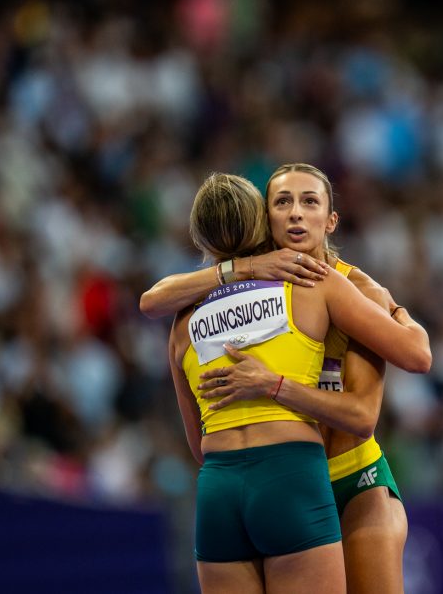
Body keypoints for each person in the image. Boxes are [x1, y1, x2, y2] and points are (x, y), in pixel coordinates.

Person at [142, 163, 427, 594]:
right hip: (292, 476)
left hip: (352, 478)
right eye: (282, 202)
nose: (295, 213)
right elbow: (151, 299)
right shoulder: (256, 282)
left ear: (331, 219)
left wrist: (399, 311)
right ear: (265, 217)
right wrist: (242, 268)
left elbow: (384, 392)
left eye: (309, 202)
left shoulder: (352, 287)